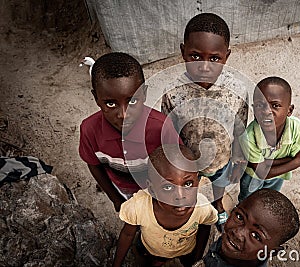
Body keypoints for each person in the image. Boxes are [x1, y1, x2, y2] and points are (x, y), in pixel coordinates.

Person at [161, 13, 249, 229]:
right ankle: (192, 214)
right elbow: (168, 132)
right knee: (190, 190)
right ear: (183, 51)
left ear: (226, 56)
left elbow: (240, 127)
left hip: (221, 158)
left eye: (215, 58)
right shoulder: (173, 92)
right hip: (189, 161)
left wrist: (238, 157)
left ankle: (218, 205)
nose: (205, 66)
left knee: (219, 185)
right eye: (195, 56)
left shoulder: (237, 90)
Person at [79, 52, 181, 212]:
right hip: (124, 190)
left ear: (144, 94)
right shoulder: (89, 130)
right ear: (96, 98)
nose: (124, 114)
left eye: (132, 101)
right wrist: (116, 198)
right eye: (111, 104)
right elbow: (94, 165)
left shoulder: (162, 128)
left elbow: (177, 165)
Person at [113, 144, 218, 267]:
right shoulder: (139, 206)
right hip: (149, 250)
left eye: (188, 184)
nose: (180, 196)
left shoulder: (203, 208)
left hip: (185, 251)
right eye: (167, 187)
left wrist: (197, 257)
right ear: (152, 190)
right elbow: (127, 234)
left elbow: (205, 227)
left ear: (198, 182)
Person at [238, 76, 300, 202]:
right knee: (248, 201)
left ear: (289, 110)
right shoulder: (248, 137)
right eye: (260, 105)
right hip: (253, 177)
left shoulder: (297, 128)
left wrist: (263, 163)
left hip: (279, 175)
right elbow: (261, 173)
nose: (267, 111)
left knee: (269, 198)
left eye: (275, 105)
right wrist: (294, 162)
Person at [204, 188, 300, 267]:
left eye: (256, 236)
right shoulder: (231, 244)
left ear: (270, 252)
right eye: (239, 217)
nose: (238, 233)